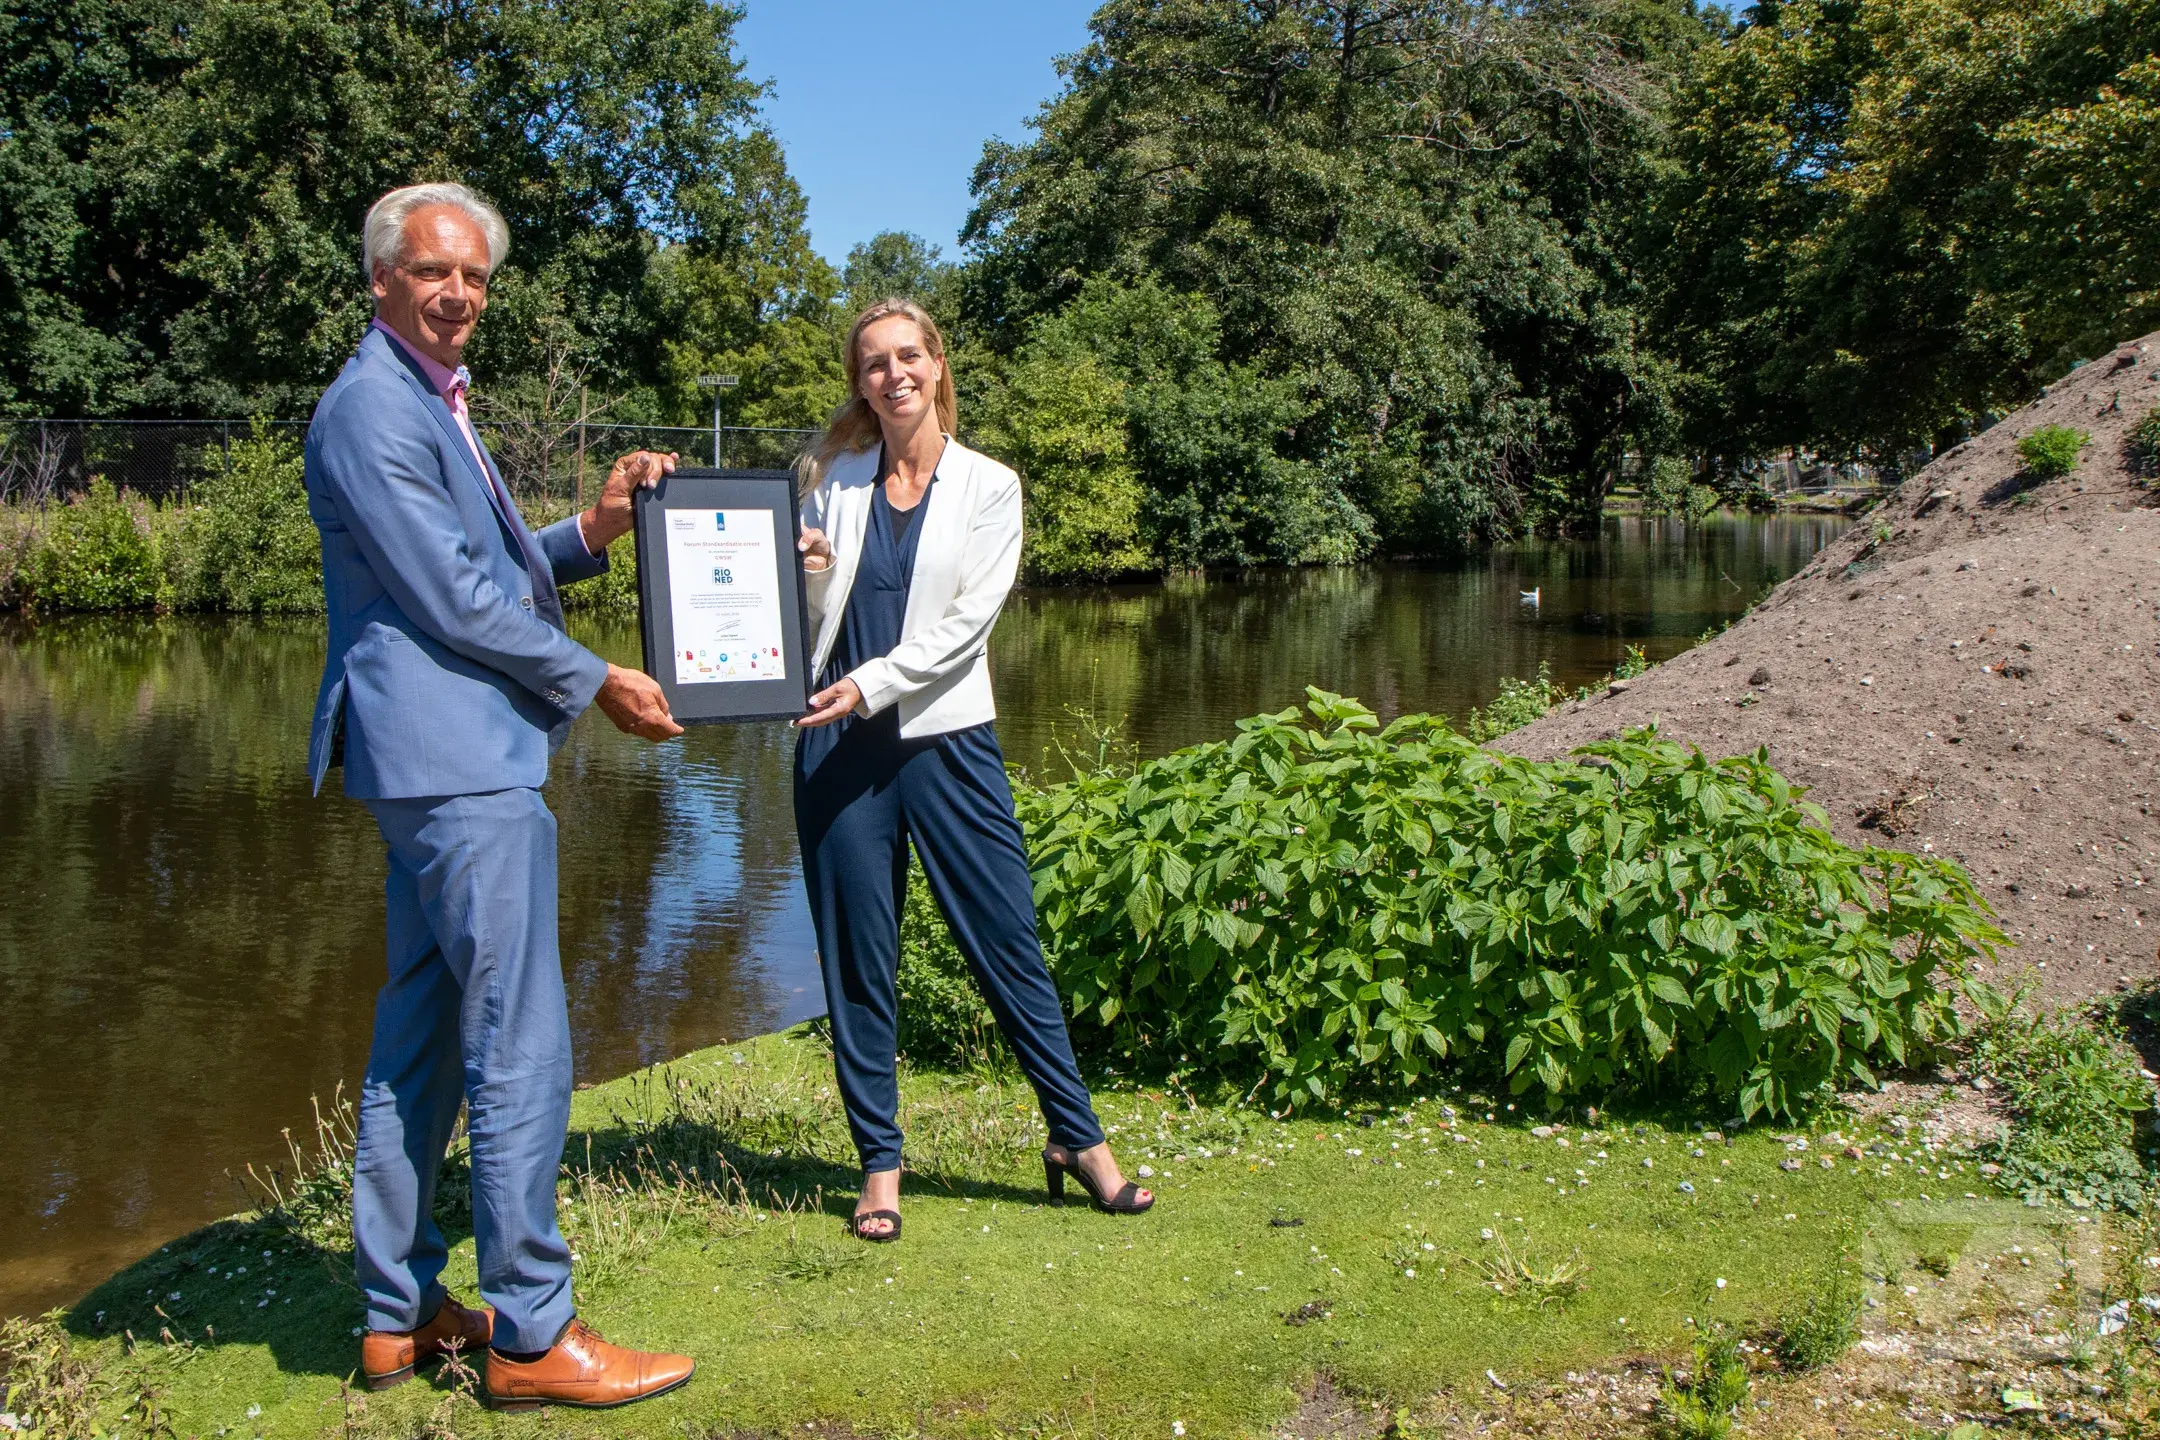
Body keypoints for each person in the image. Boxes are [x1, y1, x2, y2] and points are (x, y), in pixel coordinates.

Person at [305, 181, 694, 1412]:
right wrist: (597, 681)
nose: (458, 293)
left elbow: (486, 563)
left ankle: (398, 1311)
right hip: (461, 769)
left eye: (474, 277)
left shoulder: (423, 400)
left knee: (418, 1034)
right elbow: (453, 600)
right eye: (434, 271)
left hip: (432, 768)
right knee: (518, 1039)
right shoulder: (373, 406)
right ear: (381, 279)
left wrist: (592, 528)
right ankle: (531, 1329)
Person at [793, 297, 1153, 1242]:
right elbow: (807, 618)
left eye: (908, 356)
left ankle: (1079, 1142)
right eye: (873, 363)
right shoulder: (831, 479)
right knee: (858, 962)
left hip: (947, 742)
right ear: (859, 383)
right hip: (836, 744)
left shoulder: (991, 486)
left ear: (938, 365)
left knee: (1008, 946)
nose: (893, 374)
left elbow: (964, 631)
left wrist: (871, 683)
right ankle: (880, 1167)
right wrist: (813, 568)